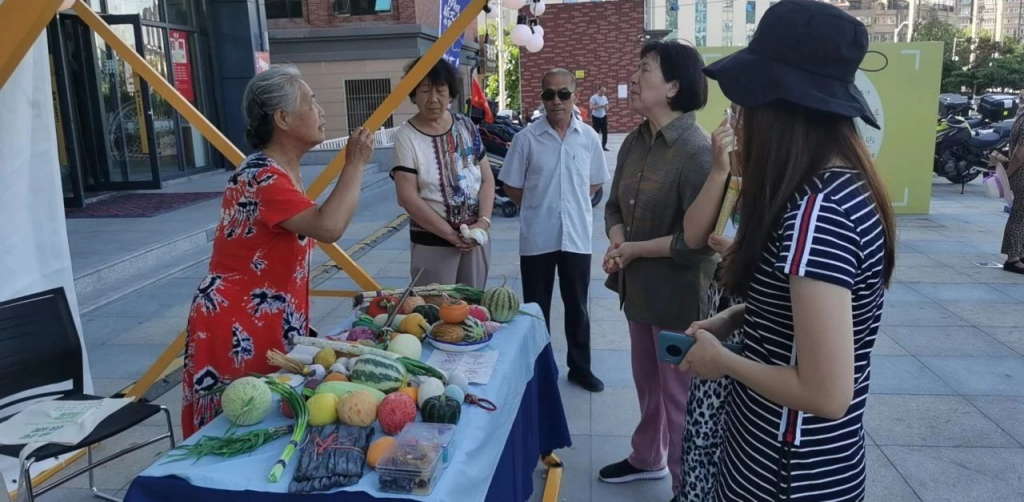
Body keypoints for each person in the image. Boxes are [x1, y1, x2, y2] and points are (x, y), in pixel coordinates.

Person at [681, 2, 897, 500]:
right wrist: (738, 317)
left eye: (742, 107)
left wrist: (725, 362)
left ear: (779, 108)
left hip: (784, 474)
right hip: (808, 465)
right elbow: (806, 318)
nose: (738, 121)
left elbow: (825, 392)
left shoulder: (817, 213)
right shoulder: (840, 189)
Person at [182, 65, 374, 438]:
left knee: (266, 418)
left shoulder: (284, 172)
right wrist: (355, 164)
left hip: (268, 316)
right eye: (311, 102)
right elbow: (329, 226)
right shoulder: (261, 176)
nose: (321, 111)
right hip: (238, 324)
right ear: (283, 118)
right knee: (239, 425)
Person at [598, 41, 716, 500]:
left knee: (677, 396)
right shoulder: (634, 139)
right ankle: (647, 457)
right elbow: (612, 206)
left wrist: (634, 249)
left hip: (679, 297)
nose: (634, 75)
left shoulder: (697, 151)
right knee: (648, 383)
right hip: (639, 291)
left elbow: (697, 244)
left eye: (644, 69)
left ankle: (686, 486)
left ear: (672, 85)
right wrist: (617, 241)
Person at [499, 68, 609, 392]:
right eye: (549, 94)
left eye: (563, 93)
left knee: (578, 306)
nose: (556, 101)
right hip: (537, 237)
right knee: (536, 309)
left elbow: (595, 182)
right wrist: (539, 205)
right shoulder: (526, 139)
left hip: (575, 236)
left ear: (575, 94)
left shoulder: (588, 138)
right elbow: (512, 186)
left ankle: (580, 368)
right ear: (542, 97)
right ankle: (538, 370)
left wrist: (569, 204)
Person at [679, 109, 743, 501]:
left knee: (729, 435)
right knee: (700, 432)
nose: (733, 125)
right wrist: (720, 169)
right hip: (724, 304)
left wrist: (741, 252)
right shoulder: (735, 174)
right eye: (732, 114)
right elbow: (693, 235)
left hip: (754, 318)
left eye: (741, 115)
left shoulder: (794, 191)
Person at [392, 58, 495, 289]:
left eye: (440, 90)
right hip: (433, 244)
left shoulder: (466, 125)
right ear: (414, 95)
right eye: (425, 91)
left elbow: (487, 179)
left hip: (475, 241)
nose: (433, 99)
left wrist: (483, 223)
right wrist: (450, 235)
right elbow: (406, 197)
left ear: (451, 94)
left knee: (473, 312)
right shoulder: (406, 136)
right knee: (437, 315)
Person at [1001, 104, 1024, 274]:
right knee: (1019, 216)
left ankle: (1019, 253)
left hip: (1019, 174)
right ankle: (1012, 258)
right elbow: (1019, 153)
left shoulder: (1021, 115)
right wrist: (1008, 173)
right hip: (1022, 174)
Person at [590, 85, 610, 151]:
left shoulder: (605, 98)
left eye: (604, 92)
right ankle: (595, 147)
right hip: (596, 117)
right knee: (596, 132)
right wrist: (600, 106)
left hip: (603, 116)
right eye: (601, 92)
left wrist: (606, 107)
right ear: (598, 90)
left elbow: (607, 106)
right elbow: (591, 107)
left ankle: (603, 146)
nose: (603, 93)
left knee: (605, 132)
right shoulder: (593, 97)